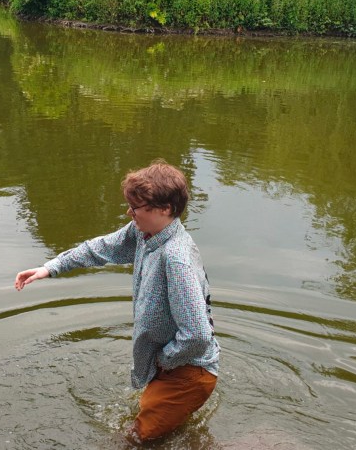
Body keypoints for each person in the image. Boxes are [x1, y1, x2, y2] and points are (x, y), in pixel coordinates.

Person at [14, 159, 220, 442]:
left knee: (136, 440)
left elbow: (197, 334)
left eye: (136, 208)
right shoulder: (145, 233)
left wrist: (163, 360)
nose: (130, 212)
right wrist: (51, 267)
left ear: (165, 209)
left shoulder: (176, 258)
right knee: (154, 430)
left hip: (187, 371)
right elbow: (101, 247)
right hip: (172, 366)